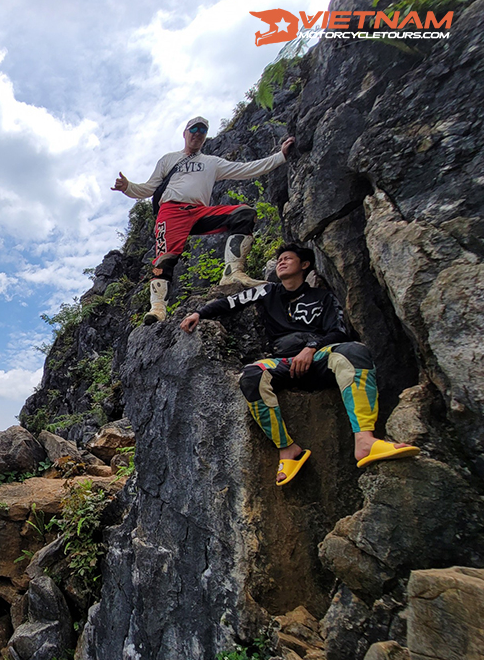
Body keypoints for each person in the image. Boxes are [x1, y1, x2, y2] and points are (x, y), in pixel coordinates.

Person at [179, 244, 419, 486]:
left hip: (321, 356)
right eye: (279, 259)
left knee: (354, 351)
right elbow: (230, 302)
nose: (281, 262)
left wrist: (312, 347)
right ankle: (287, 449)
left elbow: (339, 331)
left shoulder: (322, 297)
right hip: (283, 361)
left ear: (304, 265)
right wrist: (200, 313)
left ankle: (365, 441)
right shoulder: (267, 292)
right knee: (251, 375)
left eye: (288, 259)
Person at [113, 116, 295, 325]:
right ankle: (157, 307)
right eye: (194, 129)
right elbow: (148, 188)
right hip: (171, 211)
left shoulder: (211, 163)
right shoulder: (168, 159)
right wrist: (127, 187)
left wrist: (281, 156)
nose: (198, 133)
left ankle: (233, 273)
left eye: (202, 131)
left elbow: (246, 169)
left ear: (205, 137)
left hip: (199, 211)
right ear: (185, 133)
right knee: (165, 258)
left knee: (244, 213)